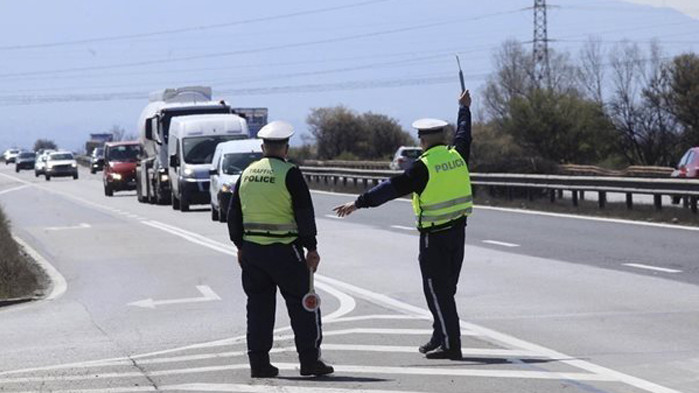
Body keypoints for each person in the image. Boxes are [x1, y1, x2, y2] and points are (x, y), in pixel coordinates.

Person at [334, 91, 473, 360]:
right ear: (443, 137)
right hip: (458, 233)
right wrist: (464, 109)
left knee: (436, 290)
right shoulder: (457, 155)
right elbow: (465, 133)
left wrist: (359, 202)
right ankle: (439, 334)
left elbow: (390, 188)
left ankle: (451, 344)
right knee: (445, 289)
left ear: (422, 140)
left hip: (435, 236)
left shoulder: (423, 167)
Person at [227, 120, 334, 378]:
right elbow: (304, 213)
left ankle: (259, 364)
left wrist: (240, 245)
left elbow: (233, 215)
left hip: (253, 252)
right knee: (304, 305)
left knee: (259, 308)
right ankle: (309, 361)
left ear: (263, 147)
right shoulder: (290, 173)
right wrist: (312, 248)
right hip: (285, 251)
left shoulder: (247, 173)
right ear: (286, 147)